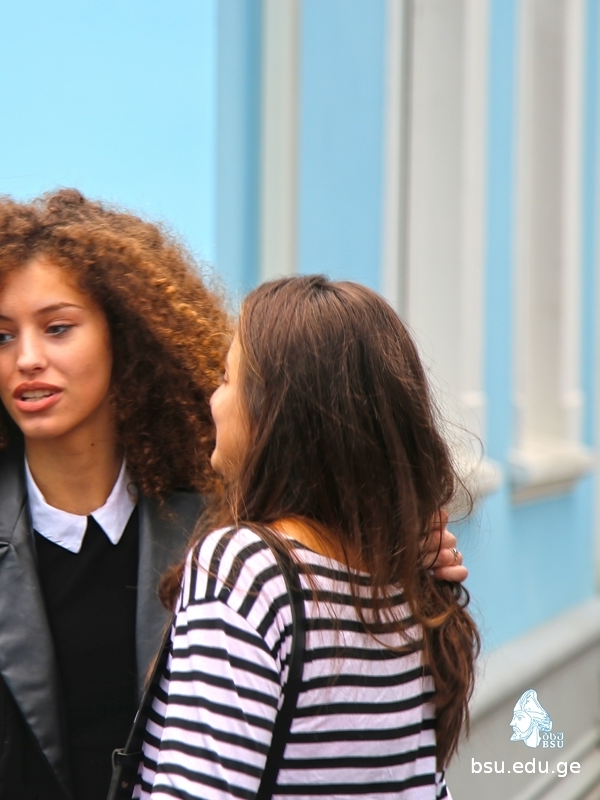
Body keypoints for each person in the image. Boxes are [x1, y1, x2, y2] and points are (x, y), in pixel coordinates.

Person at [0, 190, 467, 800]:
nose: (26, 358)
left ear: (125, 332)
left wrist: (409, 553)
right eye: (0, 336)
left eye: (57, 328)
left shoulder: (225, 526)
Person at [137, 276, 480, 799]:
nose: (213, 399)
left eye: (227, 378)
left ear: (275, 413)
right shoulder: (410, 588)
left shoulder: (245, 571)